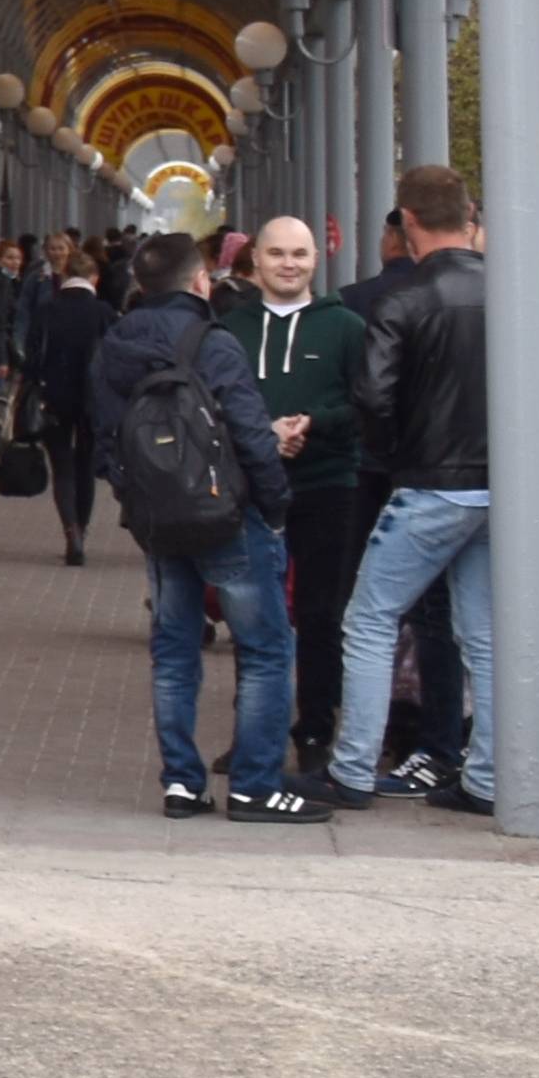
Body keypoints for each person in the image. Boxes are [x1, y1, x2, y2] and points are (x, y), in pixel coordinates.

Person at [90, 232, 312, 818]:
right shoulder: (212, 343)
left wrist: (137, 504)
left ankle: (183, 785)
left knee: (173, 650)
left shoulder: (114, 343)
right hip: (227, 518)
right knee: (265, 648)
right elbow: (246, 432)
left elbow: (105, 439)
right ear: (200, 282)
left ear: (141, 286)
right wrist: (273, 502)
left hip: (159, 524)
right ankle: (255, 786)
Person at [333, 166, 506, 815]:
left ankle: (351, 768)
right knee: (484, 634)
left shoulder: (401, 301)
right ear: (469, 216)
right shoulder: (510, 293)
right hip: (499, 488)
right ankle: (487, 777)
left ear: (406, 223)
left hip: (430, 483)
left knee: (371, 618)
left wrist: (397, 450)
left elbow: (373, 397)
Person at [239, 215, 379, 774]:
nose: (288, 264)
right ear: (256, 261)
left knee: (321, 614)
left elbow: (366, 404)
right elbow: (219, 402)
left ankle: (316, 731)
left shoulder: (346, 327)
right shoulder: (231, 328)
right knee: (252, 614)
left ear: (316, 259)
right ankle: (252, 734)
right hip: (254, 487)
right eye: (277, 254)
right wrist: (265, 433)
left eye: (299, 253)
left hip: (328, 486)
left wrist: (310, 425)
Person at [17, 232, 114, 561]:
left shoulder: (47, 310)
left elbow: (31, 359)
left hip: (52, 398)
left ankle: (70, 529)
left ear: (63, 275)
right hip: (92, 400)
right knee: (85, 466)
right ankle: (83, 533)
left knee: (62, 467)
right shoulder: (103, 312)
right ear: (94, 278)